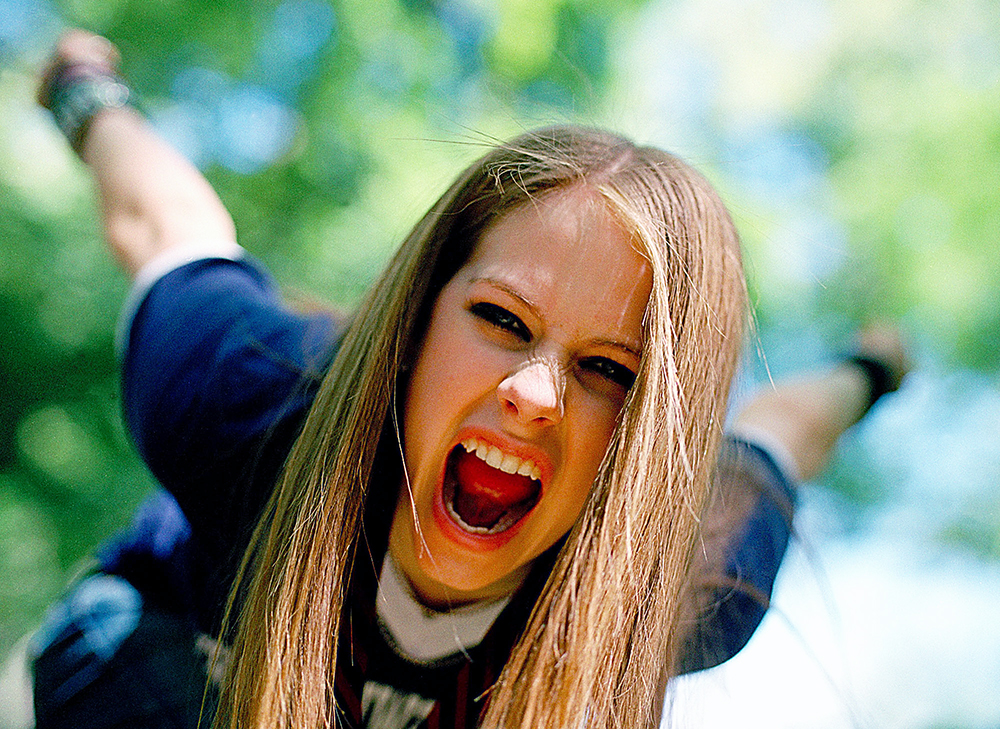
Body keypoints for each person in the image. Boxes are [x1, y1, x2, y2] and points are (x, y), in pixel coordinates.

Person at [27, 30, 907, 729]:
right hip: (159, 647)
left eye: (606, 369)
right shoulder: (237, 392)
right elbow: (167, 226)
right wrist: (83, 91)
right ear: (415, 322)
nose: (534, 392)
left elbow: (784, 429)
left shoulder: (683, 588)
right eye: (502, 320)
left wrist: (871, 369)